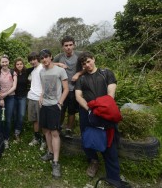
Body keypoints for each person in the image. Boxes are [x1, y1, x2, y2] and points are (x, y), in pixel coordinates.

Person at [75, 52, 129, 187]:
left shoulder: (106, 73)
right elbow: (78, 96)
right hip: (88, 113)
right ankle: (93, 161)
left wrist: (99, 109)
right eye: (84, 64)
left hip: (106, 114)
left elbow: (111, 95)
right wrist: (89, 109)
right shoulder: (81, 79)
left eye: (88, 61)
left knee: (110, 144)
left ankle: (113, 177)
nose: (87, 65)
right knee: (87, 138)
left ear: (93, 59)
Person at [39, 49, 69, 178]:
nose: (44, 60)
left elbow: (66, 88)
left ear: (51, 57)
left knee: (55, 132)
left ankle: (56, 162)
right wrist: (41, 96)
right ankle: (50, 152)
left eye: (46, 57)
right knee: (45, 130)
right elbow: (44, 87)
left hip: (54, 106)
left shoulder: (60, 71)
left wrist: (60, 103)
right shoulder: (41, 72)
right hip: (44, 105)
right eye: (42, 58)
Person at [53, 36, 83, 138]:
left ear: (74, 45)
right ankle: (59, 126)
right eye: (66, 45)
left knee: (72, 110)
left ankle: (69, 129)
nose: (68, 47)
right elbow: (49, 63)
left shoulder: (79, 55)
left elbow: (88, 66)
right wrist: (59, 64)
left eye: (70, 45)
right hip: (62, 88)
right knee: (60, 108)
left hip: (75, 88)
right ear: (62, 47)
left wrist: (78, 73)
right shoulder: (59, 56)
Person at [0, 54, 17, 149]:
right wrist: (1, 97)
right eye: (2, 62)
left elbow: (14, 86)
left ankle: (6, 138)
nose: (4, 63)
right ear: (0, 62)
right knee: (0, 118)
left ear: (8, 62)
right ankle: (0, 137)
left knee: (7, 119)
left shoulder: (13, 72)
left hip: (10, 97)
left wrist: (5, 95)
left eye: (6, 62)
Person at [27, 52, 46, 150]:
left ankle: (44, 140)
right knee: (34, 120)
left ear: (38, 59)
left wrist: (42, 96)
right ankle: (36, 137)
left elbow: (45, 84)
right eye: (30, 60)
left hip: (39, 98)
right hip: (31, 97)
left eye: (34, 59)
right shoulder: (33, 70)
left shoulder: (42, 68)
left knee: (41, 120)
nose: (32, 62)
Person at [13, 57, 29, 142]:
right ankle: (16, 131)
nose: (19, 65)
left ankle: (17, 130)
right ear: (15, 65)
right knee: (15, 115)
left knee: (22, 115)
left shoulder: (26, 72)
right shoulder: (13, 73)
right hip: (14, 97)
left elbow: (38, 66)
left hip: (23, 97)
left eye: (21, 64)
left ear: (23, 64)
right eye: (17, 64)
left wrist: (57, 64)